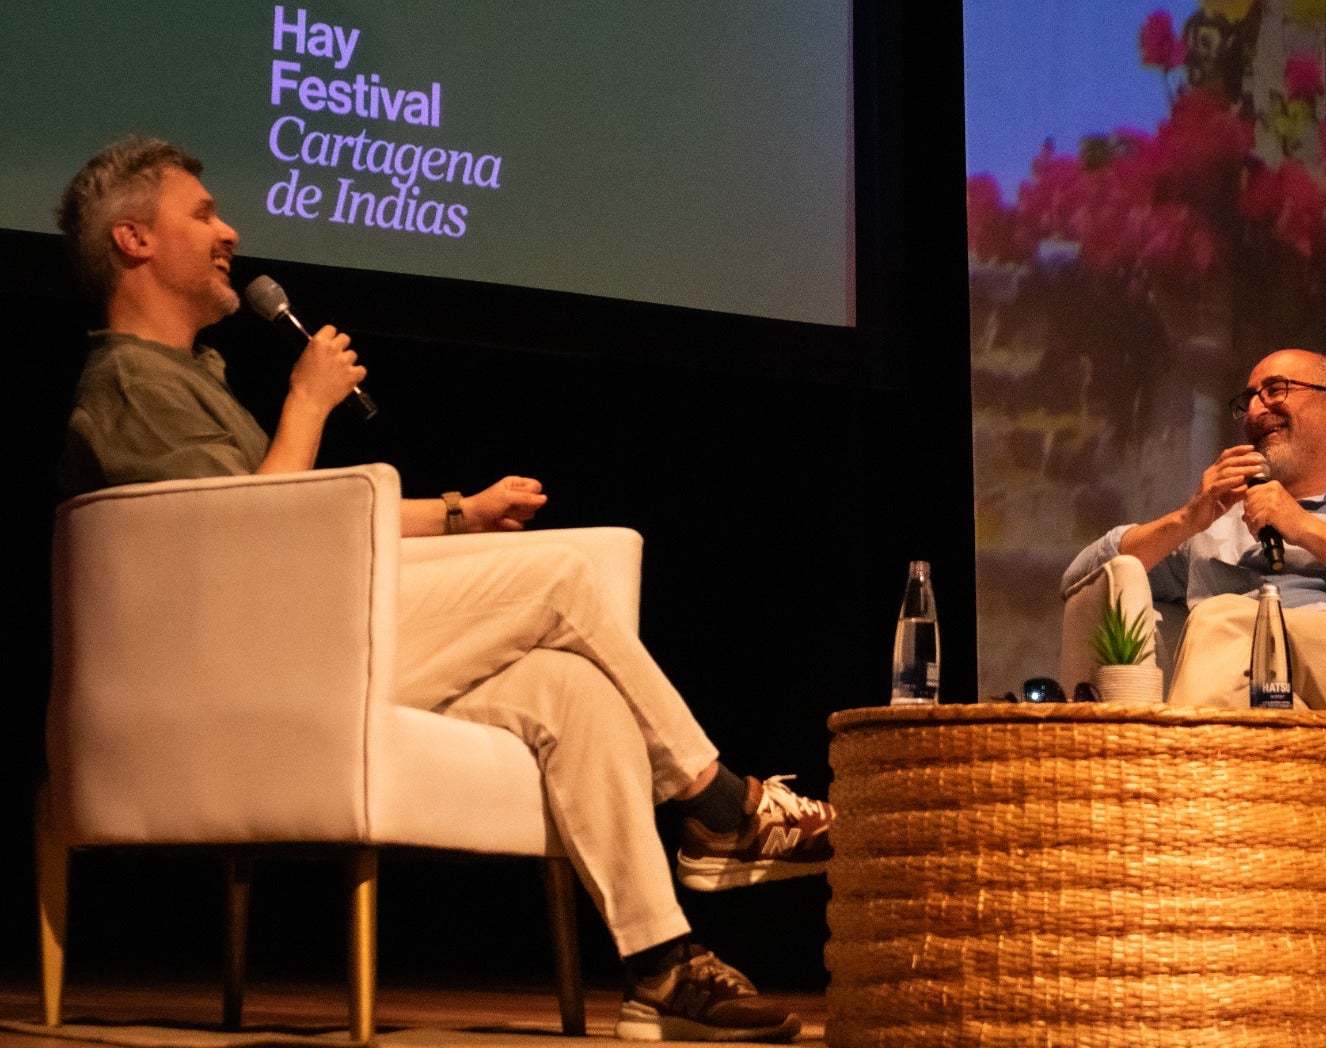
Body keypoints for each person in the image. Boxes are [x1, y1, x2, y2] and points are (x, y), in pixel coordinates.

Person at [55, 134, 832, 1043]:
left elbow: (305, 512)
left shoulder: (194, 376)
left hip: (300, 646)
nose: (230, 231)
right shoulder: (128, 381)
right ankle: (722, 808)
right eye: (203, 212)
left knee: (572, 688)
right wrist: (307, 402)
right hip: (246, 671)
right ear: (133, 241)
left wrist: (463, 512)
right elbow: (258, 535)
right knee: (566, 580)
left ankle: (658, 963)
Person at [1061, 348, 1326, 772]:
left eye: (1275, 390)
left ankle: (1178, 790)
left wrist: (1303, 527)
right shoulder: (1218, 530)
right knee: (1247, 705)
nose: (1256, 409)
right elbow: (1087, 580)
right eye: (1249, 400)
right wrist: (1189, 518)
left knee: (1226, 617)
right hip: (1276, 710)